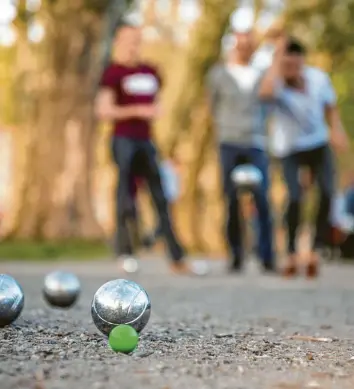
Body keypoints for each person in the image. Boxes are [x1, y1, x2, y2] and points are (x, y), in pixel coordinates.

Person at [94, 22, 189, 274]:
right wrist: (136, 110)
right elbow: (103, 110)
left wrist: (154, 110)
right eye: (127, 40)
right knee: (124, 195)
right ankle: (125, 251)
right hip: (123, 139)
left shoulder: (151, 72)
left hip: (146, 140)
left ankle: (176, 255)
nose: (132, 45)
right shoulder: (112, 73)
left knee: (160, 196)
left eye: (136, 39)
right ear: (117, 41)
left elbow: (158, 101)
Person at [258, 36, 349, 278]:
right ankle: (290, 252)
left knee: (328, 192)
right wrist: (277, 60)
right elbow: (264, 93)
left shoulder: (318, 78)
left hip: (318, 143)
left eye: (294, 65)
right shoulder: (275, 82)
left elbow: (330, 107)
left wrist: (337, 131)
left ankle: (315, 251)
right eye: (285, 65)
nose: (291, 71)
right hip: (288, 148)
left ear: (302, 61)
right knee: (295, 196)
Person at [207, 28, 275, 273]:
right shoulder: (218, 74)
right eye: (240, 43)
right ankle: (236, 255)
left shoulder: (262, 74)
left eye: (249, 44)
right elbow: (211, 105)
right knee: (231, 199)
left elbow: (271, 97)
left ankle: (268, 256)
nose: (245, 48)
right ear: (234, 45)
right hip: (229, 142)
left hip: (256, 142)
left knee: (262, 198)